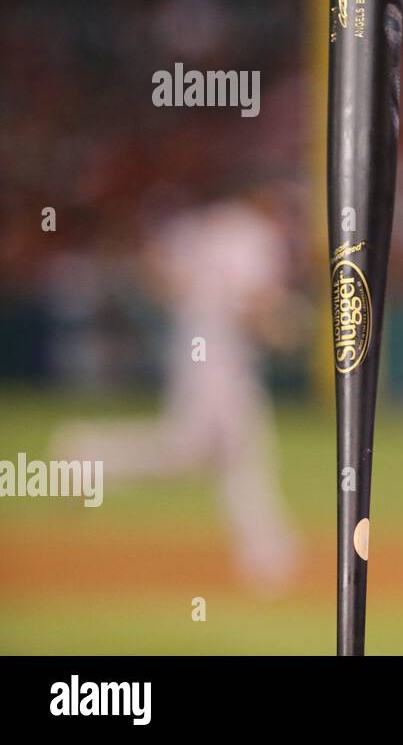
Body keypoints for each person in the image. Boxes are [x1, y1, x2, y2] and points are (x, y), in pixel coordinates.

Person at [51, 183, 305, 594]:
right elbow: (255, 304)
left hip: (194, 346)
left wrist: (202, 300)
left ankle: (86, 457)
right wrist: (286, 327)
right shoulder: (253, 232)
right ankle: (267, 554)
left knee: (192, 451)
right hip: (221, 357)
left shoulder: (203, 226)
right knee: (242, 448)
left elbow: (156, 270)